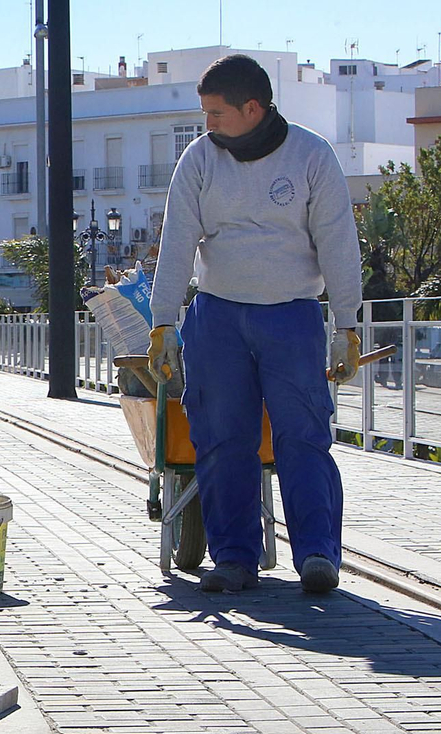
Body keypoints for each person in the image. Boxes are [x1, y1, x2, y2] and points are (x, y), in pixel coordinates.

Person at [147, 54, 362, 594]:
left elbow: (338, 242)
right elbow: (176, 244)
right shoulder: (198, 161)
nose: (208, 123)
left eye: (216, 113)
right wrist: (163, 322)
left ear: (252, 108)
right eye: (204, 113)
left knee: (303, 437)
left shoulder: (312, 156)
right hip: (217, 316)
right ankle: (235, 559)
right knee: (221, 439)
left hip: (292, 317)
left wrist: (347, 324)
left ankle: (317, 555)